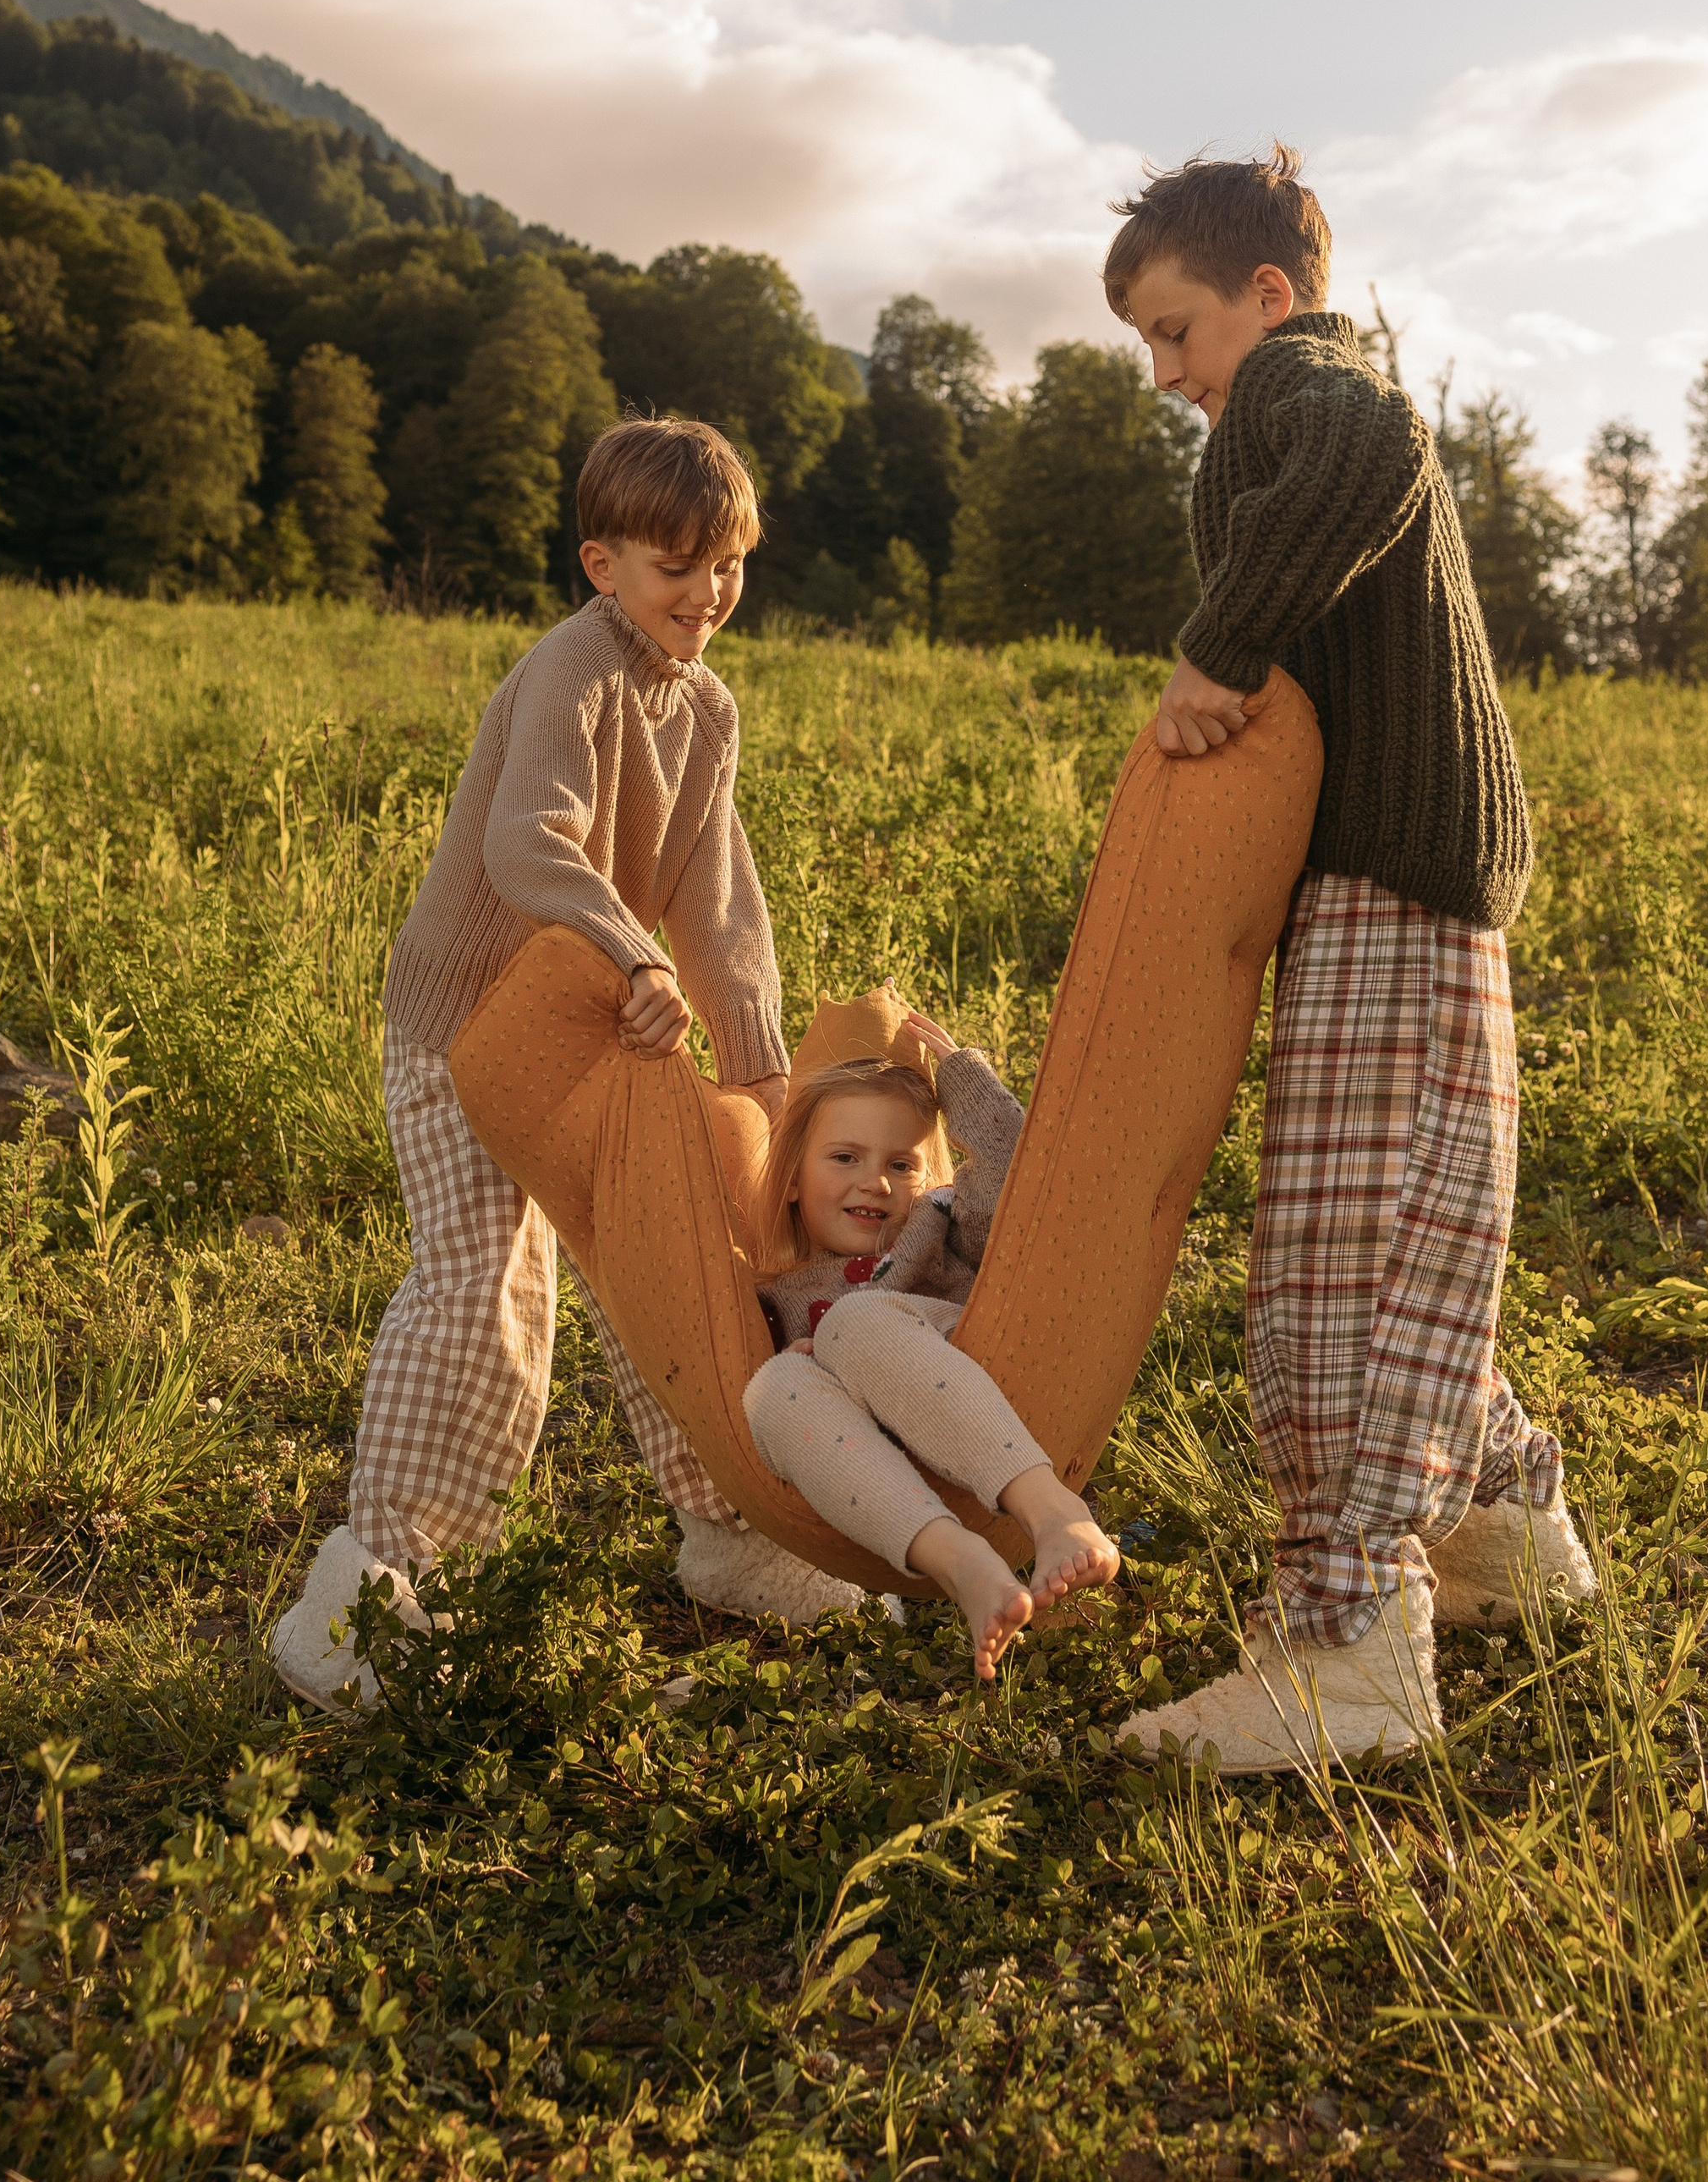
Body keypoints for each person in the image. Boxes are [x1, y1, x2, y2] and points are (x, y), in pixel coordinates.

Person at [1102, 146, 1595, 1774]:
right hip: (1390, 889)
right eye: (1149, 350)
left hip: (1394, 883)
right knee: (1411, 1237)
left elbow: (1371, 447)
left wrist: (1215, 650)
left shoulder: (1312, 383)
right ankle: (1505, 1540)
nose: (1168, 375)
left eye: (1178, 331)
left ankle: (1348, 1657)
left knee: (1338, 1274)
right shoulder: (1276, 397)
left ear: (1270, 292)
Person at [271, 415, 849, 1711]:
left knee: (669, 1261)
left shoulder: (706, 708)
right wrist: (628, 956)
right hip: (470, 1028)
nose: (707, 597)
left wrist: (758, 1074)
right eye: (675, 568)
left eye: (730, 568)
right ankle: (367, 1588)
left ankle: (729, 1531)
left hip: (600, 1028)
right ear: (602, 564)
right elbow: (532, 846)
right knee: (489, 1285)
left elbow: (715, 895)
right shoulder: (571, 674)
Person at [742, 1014, 1118, 1679]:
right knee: (771, 1388)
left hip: (976, 1410)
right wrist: (796, 1359)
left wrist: (963, 1080)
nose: (874, 1182)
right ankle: (964, 1565)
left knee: (852, 1325)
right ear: (793, 1177)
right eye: (844, 1157)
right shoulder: (777, 1299)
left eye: (900, 1164)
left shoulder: (943, 1225)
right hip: (882, 1482)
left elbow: (1017, 1173)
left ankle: (1054, 1512)